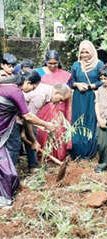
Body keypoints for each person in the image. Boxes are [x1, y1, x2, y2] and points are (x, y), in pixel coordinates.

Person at [0, 71, 55, 207]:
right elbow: (28, 117)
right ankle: (4, 198)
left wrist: (34, 141)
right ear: (28, 83)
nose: (31, 91)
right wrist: (46, 124)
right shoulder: (15, 91)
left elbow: (26, 121)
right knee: (6, 168)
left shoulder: (6, 86)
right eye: (33, 88)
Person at [68, 40, 104, 159]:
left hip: (91, 97)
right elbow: (70, 82)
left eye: (87, 52)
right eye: (82, 52)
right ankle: (77, 150)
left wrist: (91, 86)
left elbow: (104, 80)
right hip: (79, 97)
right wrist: (77, 84)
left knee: (90, 120)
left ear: (92, 52)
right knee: (78, 120)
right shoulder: (76, 65)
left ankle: (89, 151)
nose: (84, 55)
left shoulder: (99, 65)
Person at [33, 50, 72, 161]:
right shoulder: (38, 73)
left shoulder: (66, 75)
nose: (53, 65)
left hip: (60, 107)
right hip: (44, 107)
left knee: (59, 130)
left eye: (55, 63)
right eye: (50, 63)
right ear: (45, 61)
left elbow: (68, 92)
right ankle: (43, 156)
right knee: (43, 130)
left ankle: (58, 156)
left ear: (59, 62)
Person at [23, 83, 71, 167]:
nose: (60, 102)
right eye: (60, 99)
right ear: (57, 93)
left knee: (30, 135)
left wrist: (24, 132)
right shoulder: (41, 95)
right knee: (14, 146)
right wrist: (34, 140)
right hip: (10, 115)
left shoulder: (48, 92)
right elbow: (28, 117)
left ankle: (33, 166)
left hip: (21, 116)